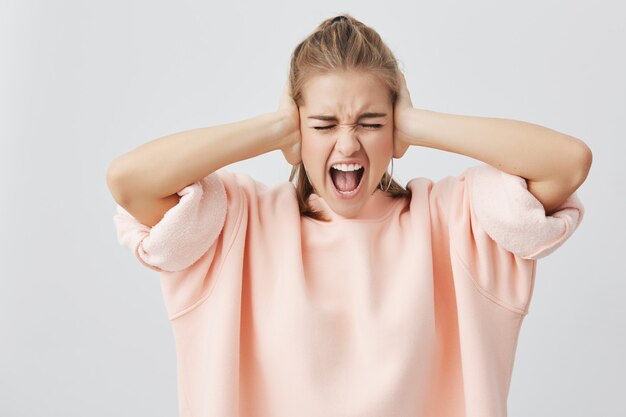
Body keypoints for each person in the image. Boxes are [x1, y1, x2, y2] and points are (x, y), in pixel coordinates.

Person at [107, 14, 591, 417]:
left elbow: (568, 163)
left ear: (394, 126)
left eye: (370, 123)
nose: (347, 143)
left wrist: (416, 125)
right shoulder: (239, 223)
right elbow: (130, 182)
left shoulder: (450, 222)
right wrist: (275, 127)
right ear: (298, 130)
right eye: (322, 124)